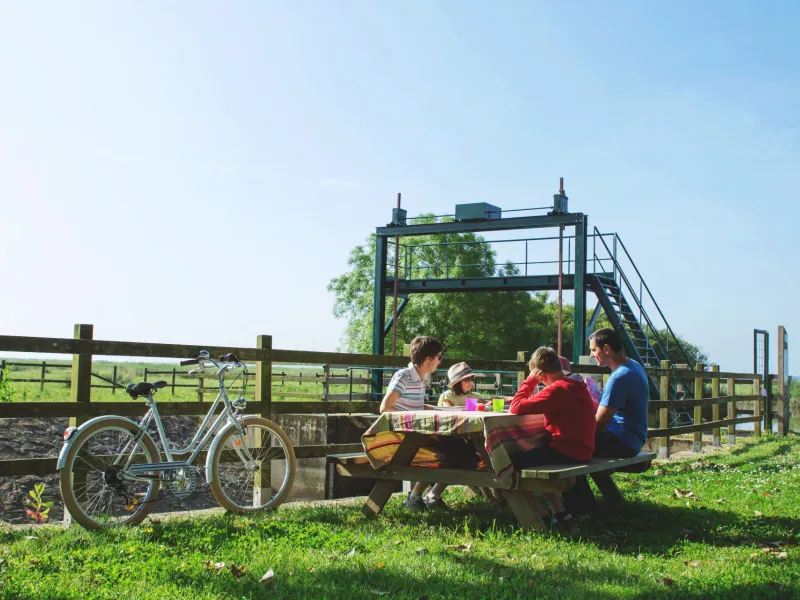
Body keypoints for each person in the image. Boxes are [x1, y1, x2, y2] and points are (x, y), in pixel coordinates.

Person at [379, 336, 477, 512]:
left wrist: (443, 410)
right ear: (428, 359)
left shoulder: (420, 378)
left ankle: (431, 496)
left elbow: (416, 406)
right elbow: (385, 408)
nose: (440, 361)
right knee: (458, 451)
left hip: (419, 433)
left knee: (468, 451)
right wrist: (416, 419)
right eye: (439, 357)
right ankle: (416, 497)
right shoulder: (404, 376)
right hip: (405, 436)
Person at [563, 327, 650, 515]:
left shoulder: (619, 377)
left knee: (566, 448)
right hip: (634, 438)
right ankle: (606, 500)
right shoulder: (634, 365)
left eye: (594, 350)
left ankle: (583, 509)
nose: (592, 355)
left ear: (607, 349)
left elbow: (599, 424)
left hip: (622, 441)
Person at [509, 346, 596, 526]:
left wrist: (530, 382)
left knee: (510, 463)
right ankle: (559, 512)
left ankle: (542, 515)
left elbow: (516, 407)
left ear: (541, 375)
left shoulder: (557, 389)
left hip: (567, 450)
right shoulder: (575, 384)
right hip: (583, 448)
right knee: (535, 453)